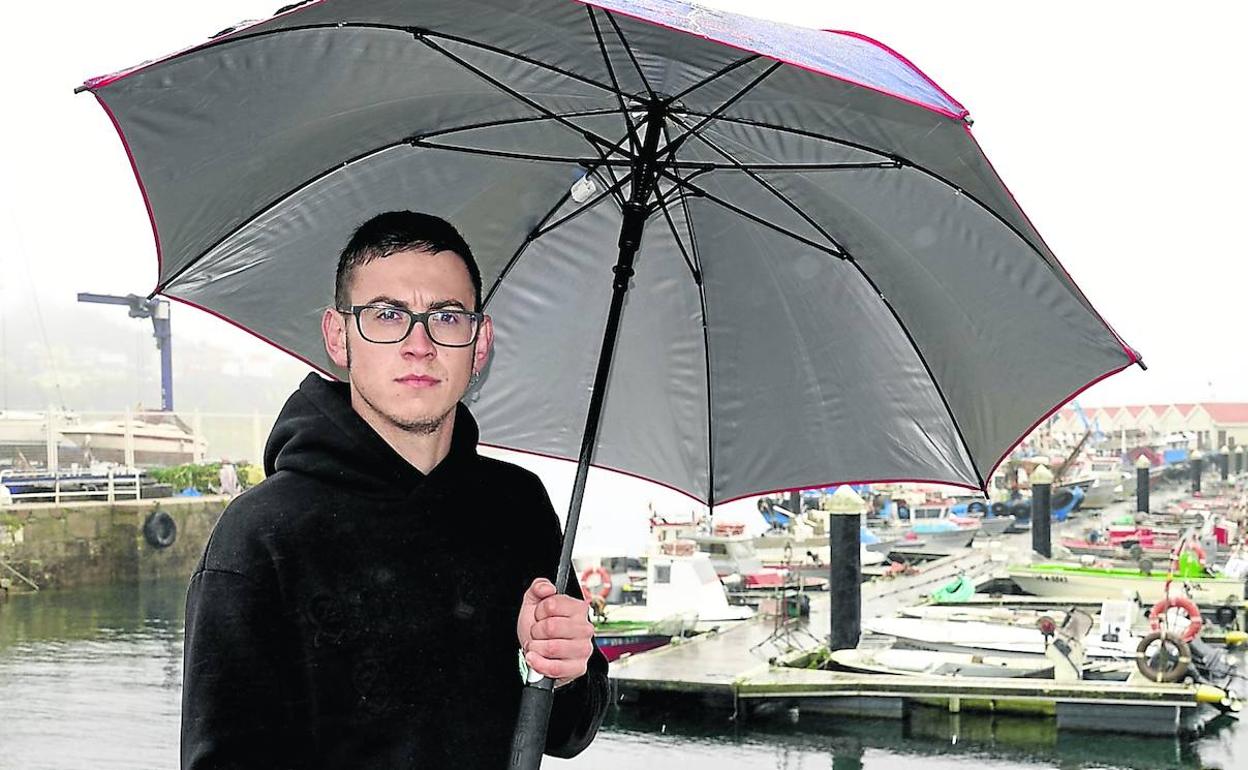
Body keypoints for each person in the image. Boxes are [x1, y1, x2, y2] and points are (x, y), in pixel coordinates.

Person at [181, 212, 609, 768]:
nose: (419, 345)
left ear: (479, 344)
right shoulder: (261, 536)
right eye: (387, 315)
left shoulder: (519, 506)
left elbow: (571, 731)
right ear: (339, 336)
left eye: (447, 317)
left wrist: (564, 668)